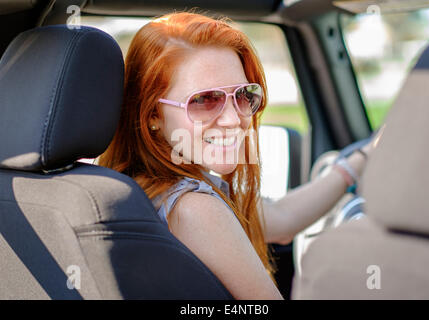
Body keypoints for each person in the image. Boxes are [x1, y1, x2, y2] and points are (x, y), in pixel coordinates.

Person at [99, 12, 374, 300]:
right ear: (152, 113)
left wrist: (359, 160)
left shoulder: (136, 188)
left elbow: (282, 217)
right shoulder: (194, 207)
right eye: (204, 100)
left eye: (243, 95)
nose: (234, 120)